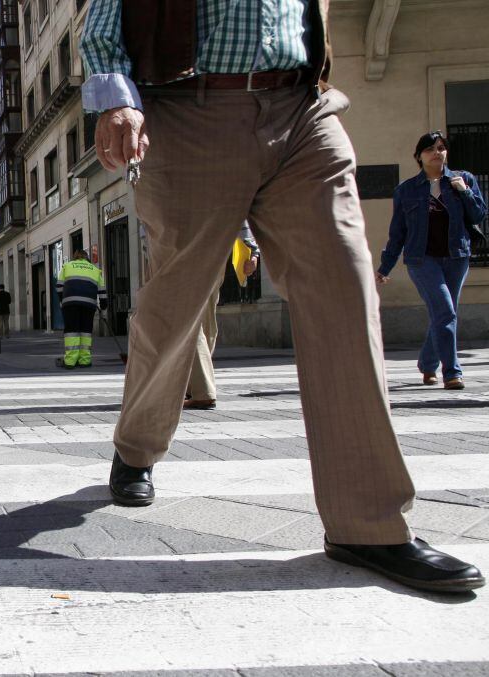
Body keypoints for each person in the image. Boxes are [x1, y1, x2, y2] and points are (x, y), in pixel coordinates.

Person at [82, 0, 482, 592]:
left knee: (346, 292)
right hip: (191, 111)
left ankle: (366, 523)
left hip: (304, 110)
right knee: (175, 307)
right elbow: (103, 16)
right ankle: (136, 448)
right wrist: (117, 98)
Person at [377, 132, 485, 391]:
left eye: (441, 148)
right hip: (422, 260)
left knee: (444, 313)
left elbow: (479, 213)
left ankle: (427, 363)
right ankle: (452, 372)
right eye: (430, 149)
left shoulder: (464, 179)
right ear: (419, 156)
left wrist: (465, 192)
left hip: (456, 257)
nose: (437, 152)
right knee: (445, 311)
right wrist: (385, 267)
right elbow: (398, 233)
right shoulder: (406, 190)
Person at [185, 223, 259, 410]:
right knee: (205, 319)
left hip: (184, 249)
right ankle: (194, 384)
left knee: (187, 321)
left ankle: (202, 390)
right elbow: (240, 208)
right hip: (215, 251)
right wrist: (253, 251)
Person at [55, 251, 107, 368]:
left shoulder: (67, 266)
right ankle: (84, 360)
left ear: (75, 257)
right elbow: (102, 291)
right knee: (86, 332)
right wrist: (103, 306)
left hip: (70, 303)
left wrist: (62, 299)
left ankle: (70, 361)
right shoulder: (95, 269)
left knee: (72, 332)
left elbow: (59, 286)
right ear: (86, 258)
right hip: (89, 304)